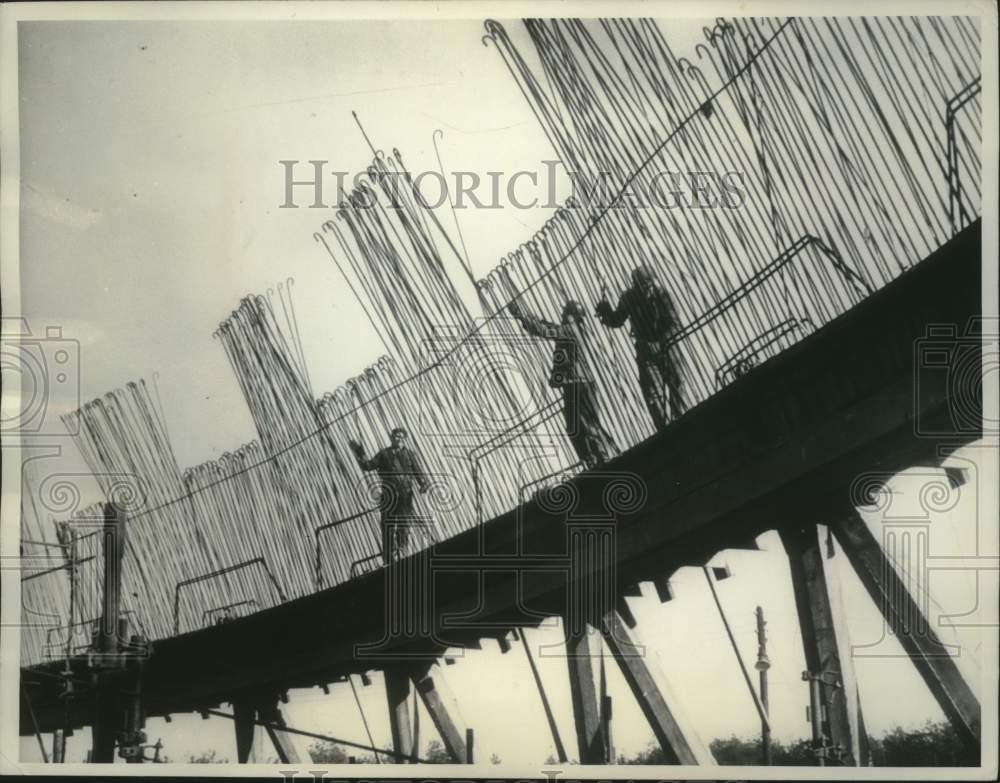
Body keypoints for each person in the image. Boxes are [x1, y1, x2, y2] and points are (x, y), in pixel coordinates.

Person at [508, 298, 619, 468]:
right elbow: (546, 326)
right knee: (575, 428)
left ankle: (602, 459)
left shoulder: (570, 331)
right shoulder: (571, 330)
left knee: (588, 426)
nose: (562, 315)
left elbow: (544, 330)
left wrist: (520, 316)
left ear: (572, 316)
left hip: (580, 385)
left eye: (566, 313)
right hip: (575, 384)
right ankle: (592, 460)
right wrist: (528, 316)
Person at [596, 264, 687, 430]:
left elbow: (675, 324)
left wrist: (660, 343)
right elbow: (617, 320)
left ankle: (682, 420)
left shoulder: (663, 295)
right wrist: (605, 310)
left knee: (677, 384)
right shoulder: (629, 298)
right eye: (640, 286)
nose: (644, 290)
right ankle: (664, 429)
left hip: (668, 346)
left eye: (647, 285)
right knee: (652, 394)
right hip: (646, 351)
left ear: (652, 282)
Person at [349, 427, 430, 564]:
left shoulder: (410, 455)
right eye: (397, 436)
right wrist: (359, 452)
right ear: (392, 438)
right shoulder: (384, 454)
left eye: (402, 437)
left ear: (405, 440)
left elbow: (418, 471)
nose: (400, 439)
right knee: (388, 527)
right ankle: (389, 558)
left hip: (405, 496)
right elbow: (368, 465)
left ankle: (402, 552)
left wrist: (423, 483)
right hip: (388, 496)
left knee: (404, 526)